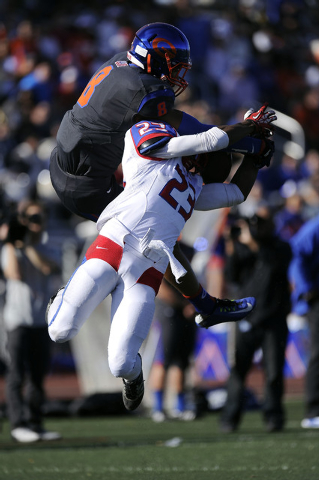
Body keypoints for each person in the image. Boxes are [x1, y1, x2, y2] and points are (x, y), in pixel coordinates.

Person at [49, 22, 275, 326]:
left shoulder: (122, 62)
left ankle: (203, 304)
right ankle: (204, 305)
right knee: (158, 238)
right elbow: (202, 137)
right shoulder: (148, 101)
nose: (179, 76)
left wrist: (246, 146)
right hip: (85, 183)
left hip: (68, 162)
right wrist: (250, 141)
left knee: (159, 238)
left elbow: (197, 136)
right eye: (175, 67)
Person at [46, 113, 275, 412]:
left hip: (147, 271)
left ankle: (134, 376)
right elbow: (210, 139)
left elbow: (236, 192)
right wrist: (249, 128)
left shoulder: (194, 189)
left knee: (121, 364)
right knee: (59, 331)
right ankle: (62, 297)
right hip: (111, 249)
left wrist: (255, 161)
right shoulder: (149, 143)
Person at [219, 207, 292, 433]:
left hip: (273, 319)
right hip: (246, 317)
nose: (256, 227)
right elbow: (231, 276)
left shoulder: (281, 247)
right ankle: (230, 418)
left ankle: (273, 417)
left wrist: (253, 243)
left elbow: (272, 265)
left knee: (273, 371)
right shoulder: (243, 247)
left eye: (261, 222)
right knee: (238, 370)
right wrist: (232, 247)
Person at [1, 200, 61, 443]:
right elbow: (14, 274)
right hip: (17, 320)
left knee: (38, 376)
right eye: (31, 219)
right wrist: (12, 242)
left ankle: (35, 424)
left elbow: (49, 268)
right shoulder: (10, 249)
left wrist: (26, 245)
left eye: (39, 218)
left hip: (41, 321)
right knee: (17, 374)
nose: (35, 224)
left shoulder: (47, 246)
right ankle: (18, 424)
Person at [149, 278, 197, 422]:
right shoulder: (163, 257)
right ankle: (157, 408)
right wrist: (183, 304)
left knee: (181, 361)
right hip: (168, 313)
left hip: (184, 314)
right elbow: (159, 285)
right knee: (163, 360)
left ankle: (180, 407)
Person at [289, 213, 319, 428]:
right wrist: (306, 289)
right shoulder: (315, 226)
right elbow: (296, 252)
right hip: (317, 298)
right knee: (318, 353)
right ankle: (314, 410)